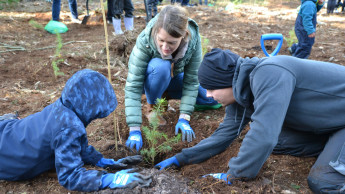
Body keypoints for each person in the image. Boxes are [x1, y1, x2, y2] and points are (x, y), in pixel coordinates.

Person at [155, 48, 345, 193]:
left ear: (227, 82)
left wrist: (234, 174)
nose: (208, 95)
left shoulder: (269, 73)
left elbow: (264, 135)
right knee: (278, 142)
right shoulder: (241, 91)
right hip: (333, 122)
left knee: (323, 182)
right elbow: (225, 134)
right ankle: (334, 150)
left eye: (212, 88)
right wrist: (182, 158)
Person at [0, 69, 151, 191]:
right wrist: (112, 179)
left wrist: (102, 161)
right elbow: (70, 177)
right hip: (7, 157)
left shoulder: (63, 107)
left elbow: (77, 146)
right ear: (90, 105)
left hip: (10, 134)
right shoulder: (69, 128)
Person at [124, 5, 221, 152]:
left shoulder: (193, 41)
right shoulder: (145, 40)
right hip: (151, 79)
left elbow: (191, 81)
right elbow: (133, 86)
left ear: (184, 35)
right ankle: (152, 107)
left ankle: (168, 95)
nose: (164, 47)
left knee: (211, 99)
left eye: (172, 43)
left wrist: (184, 117)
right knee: (161, 66)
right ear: (156, 31)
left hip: (174, 78)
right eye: (161, 40)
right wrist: (134, 129)